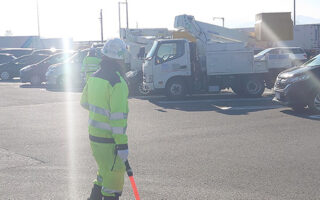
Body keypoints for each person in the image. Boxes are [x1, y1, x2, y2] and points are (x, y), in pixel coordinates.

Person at [81, 38, 129, 200]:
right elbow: (118, 119)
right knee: (113, 184)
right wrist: (122, 144)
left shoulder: (94, 77)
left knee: (103, 173)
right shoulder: (117, 82)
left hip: (94, 137)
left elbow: (84, 102)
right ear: (120, 58)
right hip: (110, 141)